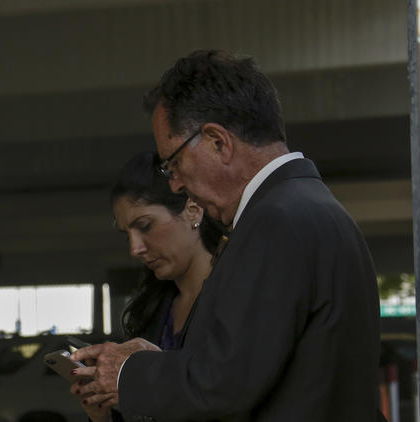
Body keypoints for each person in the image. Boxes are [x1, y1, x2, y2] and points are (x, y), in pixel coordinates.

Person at [72, 50, 381, 421]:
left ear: (218, 142)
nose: (176, 183)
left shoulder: (274, 222)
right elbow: (257, 367)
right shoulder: (312, 206)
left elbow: (222, 385)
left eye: (173, 163)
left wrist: (125, 372)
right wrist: (165, 363)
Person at [73, 151, 223, 422]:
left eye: (145, 226)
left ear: (193, 210)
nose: (135, 248)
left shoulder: (235, 295)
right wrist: (103, 413)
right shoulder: (154, 310)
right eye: (127, 234)